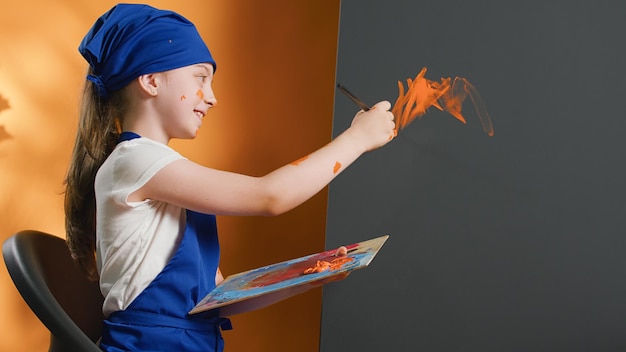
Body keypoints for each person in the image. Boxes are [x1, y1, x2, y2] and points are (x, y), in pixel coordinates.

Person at [64, 3, 395, 352]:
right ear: (150, 80)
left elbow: (215, 299)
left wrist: (308, 275)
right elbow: (270, 195)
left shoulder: (159, 172)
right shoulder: (136, 161)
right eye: (200, 78)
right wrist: (357, 139)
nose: (212, 97)